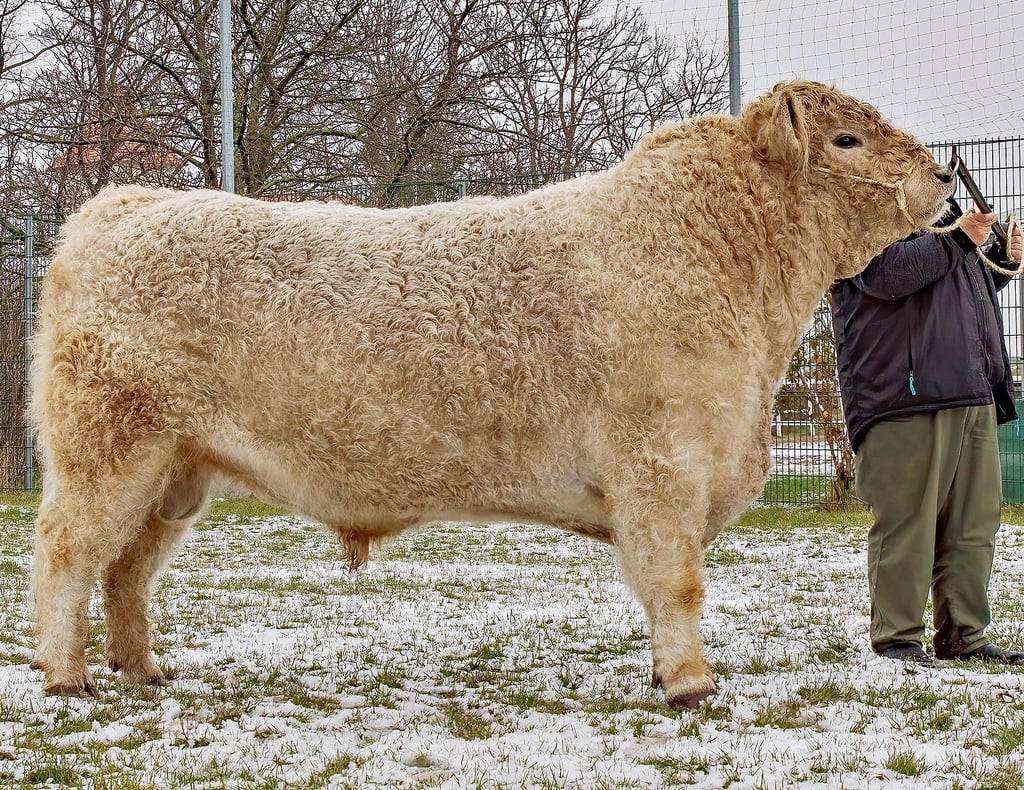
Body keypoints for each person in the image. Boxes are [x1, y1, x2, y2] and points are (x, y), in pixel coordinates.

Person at [830, 198, 1024, 666]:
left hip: (970, 390)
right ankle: (897, 638)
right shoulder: (862, 215)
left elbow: (952, 288)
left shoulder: (943, 226)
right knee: (907, 520)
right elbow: (888, 276)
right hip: (903, 396)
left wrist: (999, 263)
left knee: (973, 524)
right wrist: (961, 238)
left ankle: (964, 635)